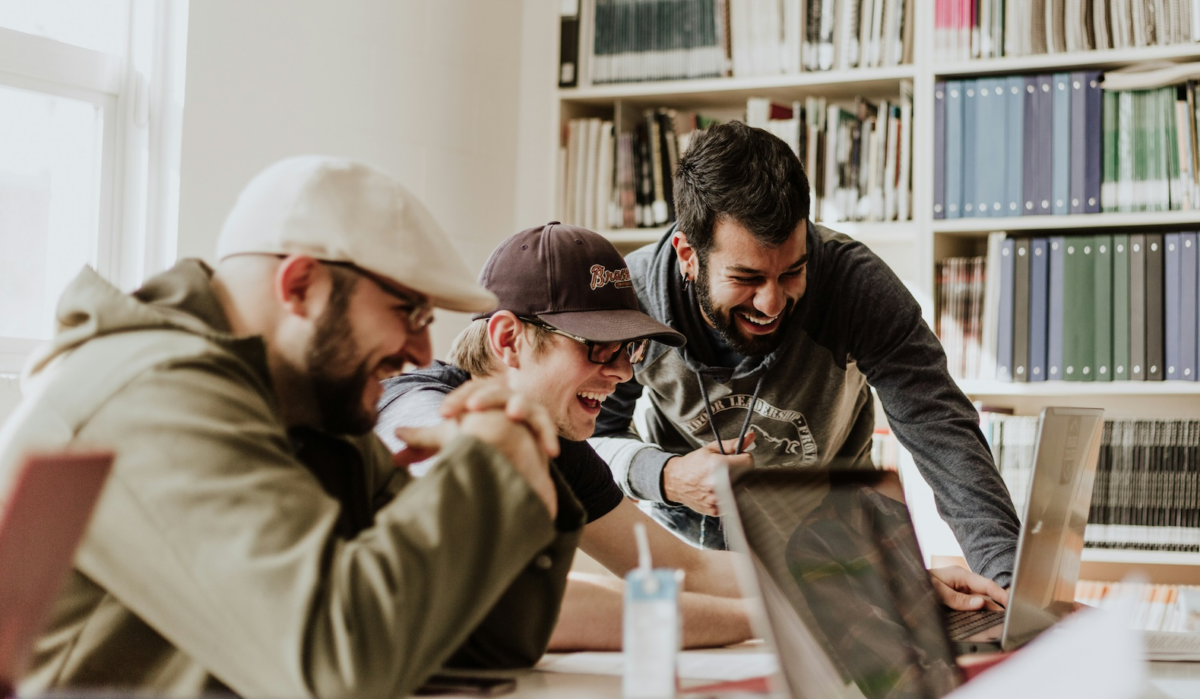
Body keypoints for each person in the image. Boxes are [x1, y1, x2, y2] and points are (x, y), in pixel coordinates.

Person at [0, 157, 584, 699]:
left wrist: (524, 471)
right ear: (300, 285)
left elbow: (478, 644)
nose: (422, 349)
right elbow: (335, 667)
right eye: (407, 311)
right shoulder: (152, 396)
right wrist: (487, 470)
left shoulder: (311, 410)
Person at [377, 223, 1006, 652]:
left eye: (629, 351)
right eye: (598, 349)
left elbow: (681, 567)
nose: (623, 373)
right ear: (509, 339)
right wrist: (807, 616)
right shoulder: (420, 413)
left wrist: (879, 584)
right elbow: (528, 603)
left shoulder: (556, 442)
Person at [590, 120, 1022, 590]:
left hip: (834, 550)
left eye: (792, 272)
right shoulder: (632, 302)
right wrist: (666, 476)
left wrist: (1008, 585)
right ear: (687, 255)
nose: (771, 303)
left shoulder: (857, 287)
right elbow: (590, 439)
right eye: (747, 278)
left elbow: (944, 435)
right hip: (689, 559)